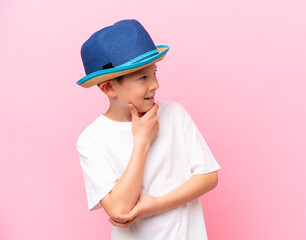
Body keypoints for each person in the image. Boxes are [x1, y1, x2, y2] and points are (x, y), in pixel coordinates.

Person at [76, 19, 221, 240]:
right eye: (143, 77)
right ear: (108, 87)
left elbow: (208, 177)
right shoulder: (92, 140)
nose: (155, 84)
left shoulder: (175, 114)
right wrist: (142, 141)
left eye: (155, 73)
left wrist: (155, 205)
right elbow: (119, 209)